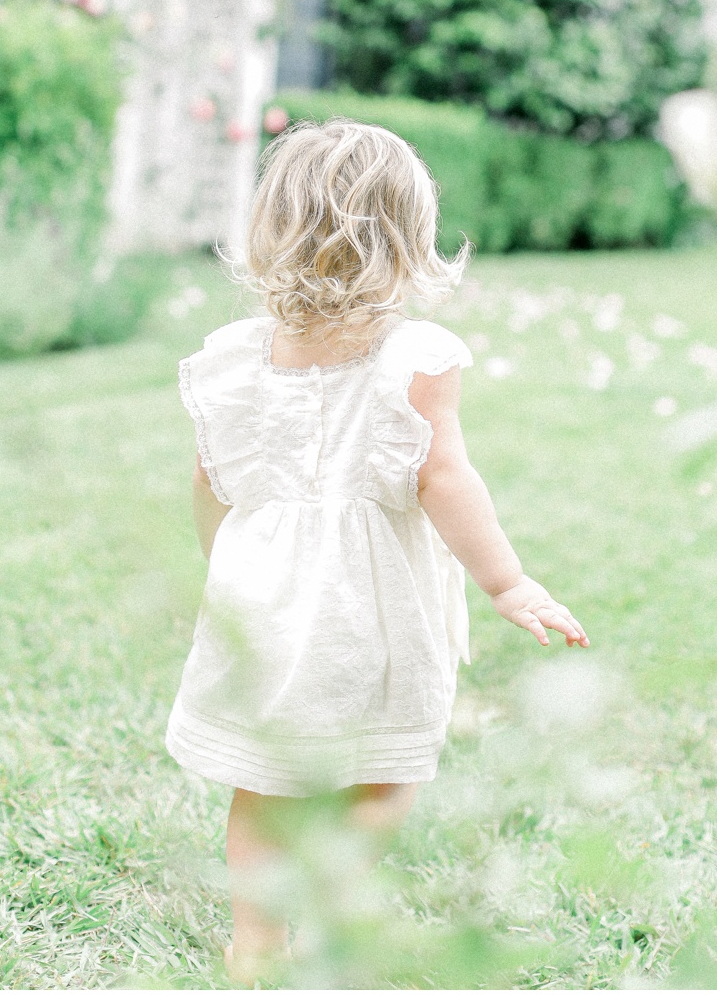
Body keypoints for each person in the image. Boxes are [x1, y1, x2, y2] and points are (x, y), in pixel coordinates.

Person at [165, 119, 588, 984]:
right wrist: (507, 580)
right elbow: (444, 476)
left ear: (271, 231)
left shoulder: (231, 361)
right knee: (387, 773)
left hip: (260, 600)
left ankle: (254, 943)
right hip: (372, 607)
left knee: (266, 779)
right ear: (405, 238)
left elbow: (211, 483)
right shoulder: (415, 358)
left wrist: (226, 570)